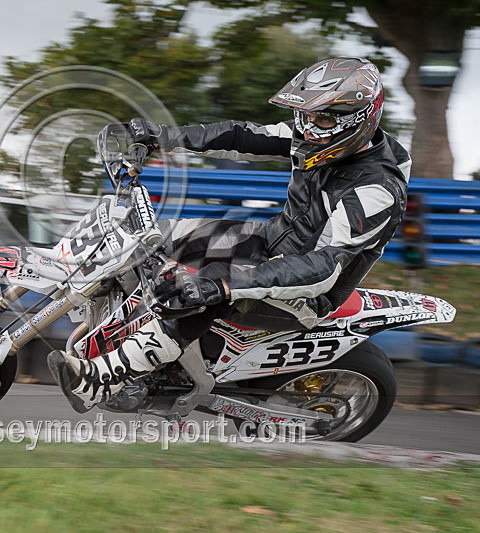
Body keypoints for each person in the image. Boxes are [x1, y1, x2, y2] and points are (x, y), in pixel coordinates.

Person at [48, 57, 411, 413]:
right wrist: (162, 136)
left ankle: (102, 379)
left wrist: (222, 286)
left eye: (322, 118)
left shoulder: (376, 189)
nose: (308, 127)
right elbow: (241, 136)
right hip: (270, 241)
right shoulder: (315, 135)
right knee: (160, 237)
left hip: (306, 288)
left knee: (199, 289)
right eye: (305, 116)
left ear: (361, 119)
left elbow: (322, 268)